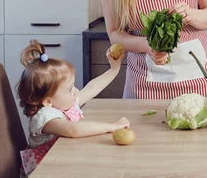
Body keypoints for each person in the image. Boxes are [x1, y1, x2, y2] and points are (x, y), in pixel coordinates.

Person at [17, 40, 129, 175]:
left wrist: (114, 69)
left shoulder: (63, 104)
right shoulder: (46, 116)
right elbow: (73, 130)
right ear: (48, 101)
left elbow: (91, 88)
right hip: (45, 171)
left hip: (63, 162)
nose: (76, 91)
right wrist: (110, 127)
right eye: (70, 89)